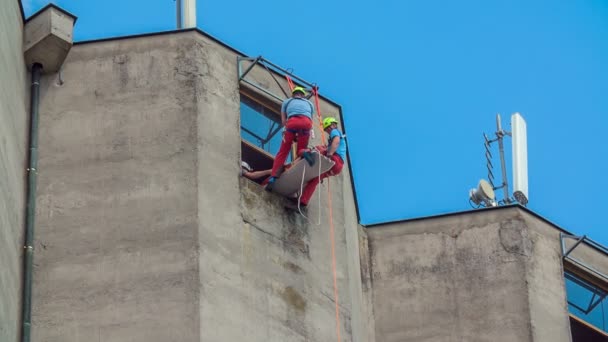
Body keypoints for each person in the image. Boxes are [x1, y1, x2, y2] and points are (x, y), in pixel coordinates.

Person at [288, 117, 346, 210]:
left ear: (333, 125)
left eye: (328, 128)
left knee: (309, 150)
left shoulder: (335, 132)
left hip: (335, 159)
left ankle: (306, 155)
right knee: (314, 180)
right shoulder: (333, 137)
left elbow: (336, 141)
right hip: (337, 167)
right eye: (327, 130)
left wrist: (329, 154)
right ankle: (303, 202)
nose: (328, 131)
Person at [266, 86, 315, 192]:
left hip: (292, 123)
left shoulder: (287, 102)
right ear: (302, 95)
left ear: (293, 94)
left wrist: (290, 133)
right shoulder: (310, 104)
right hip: (306, 124)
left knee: (283, 151)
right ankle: (305, 152)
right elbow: (310, 119)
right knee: (300, 149)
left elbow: (284, 121)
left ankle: (274, 177)